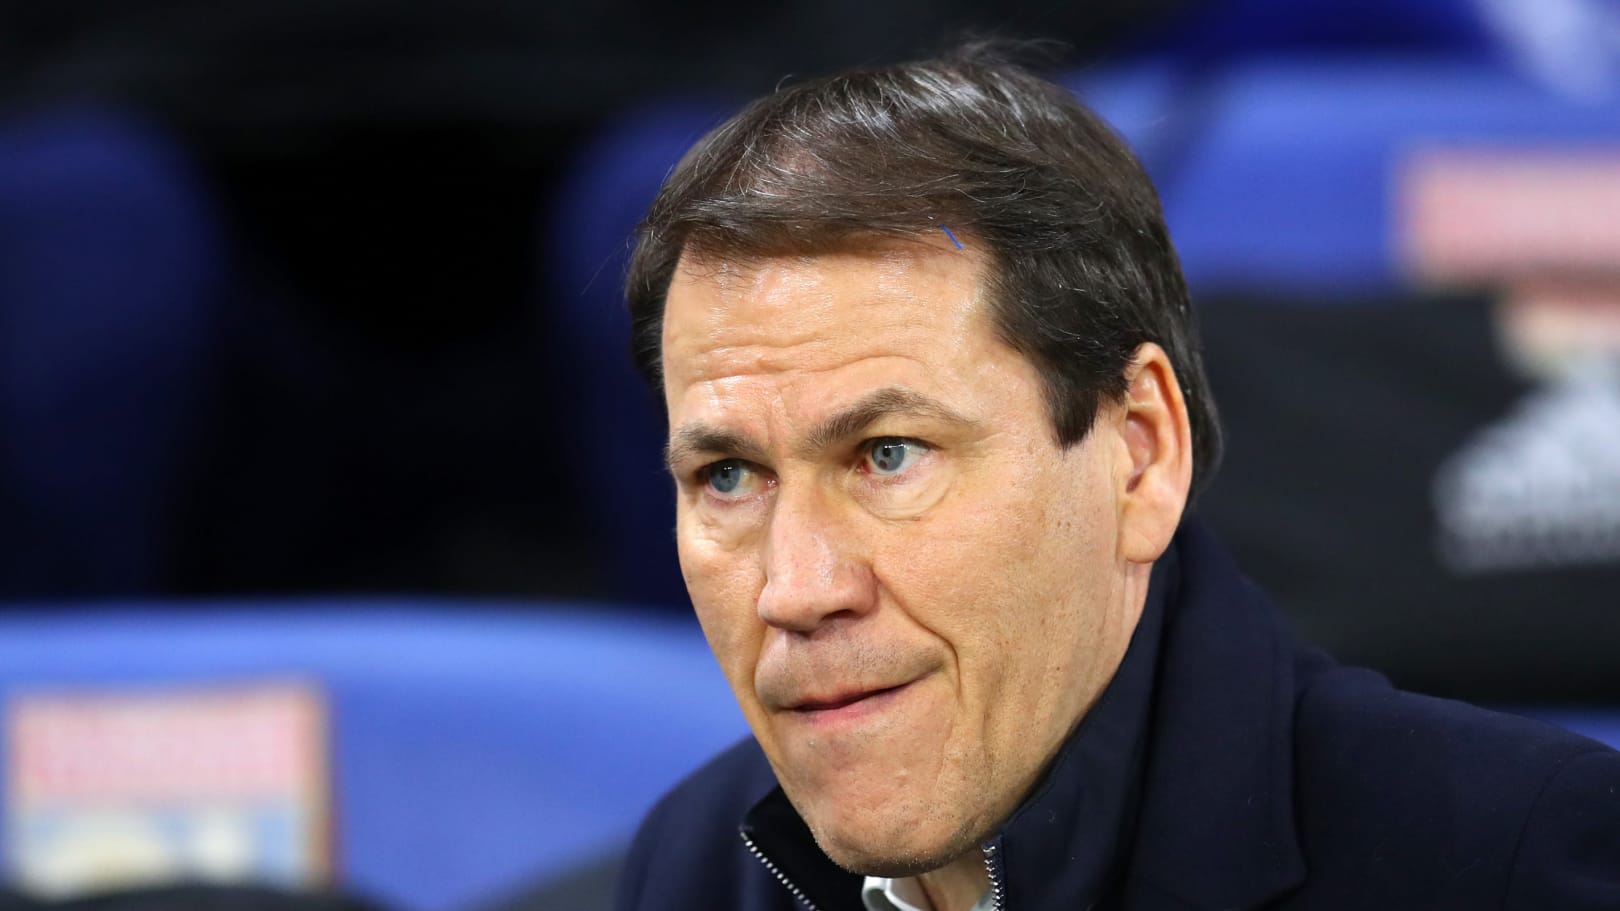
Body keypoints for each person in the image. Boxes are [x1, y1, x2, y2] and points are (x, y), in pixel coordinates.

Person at [612, 44, 1620, 911]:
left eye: (889, 454)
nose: (796, 588)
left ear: (1139, 455)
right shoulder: (695, 868)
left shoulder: (1512, 861)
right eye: (729, 474)